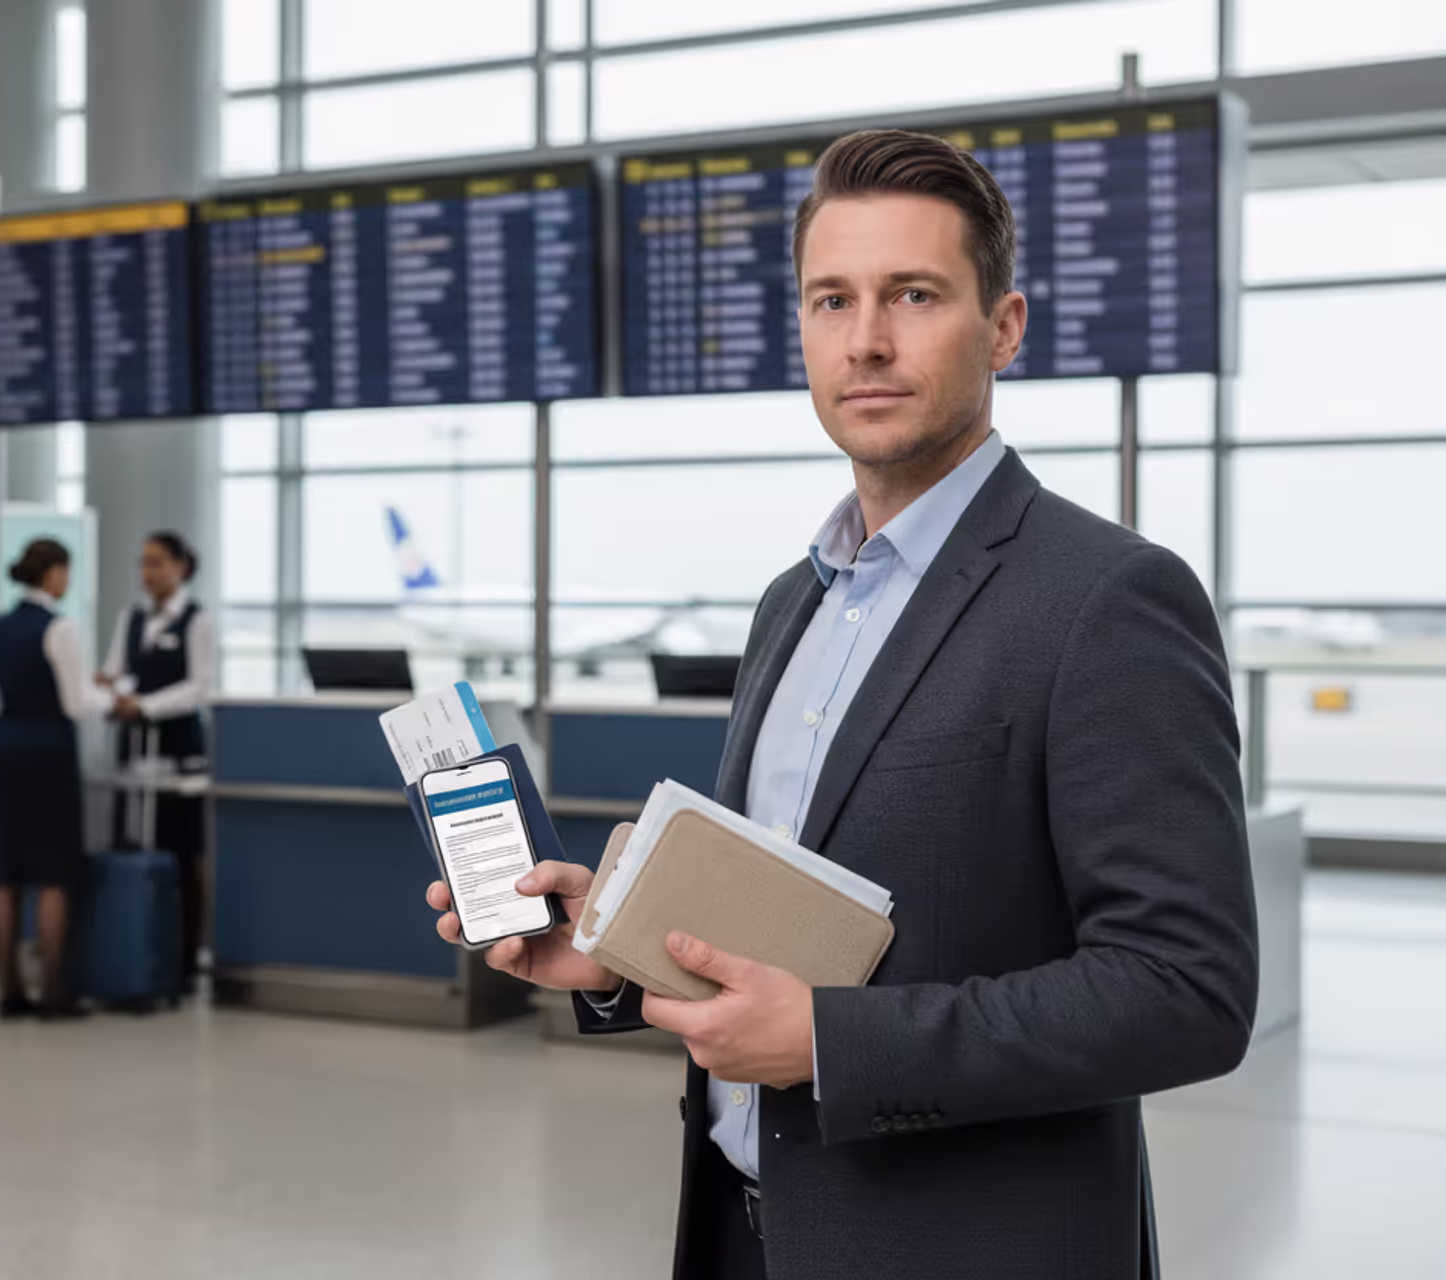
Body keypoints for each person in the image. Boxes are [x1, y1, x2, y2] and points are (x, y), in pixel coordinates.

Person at [426, 129, 1258, 1279]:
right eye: (832, 300)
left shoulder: (1107, 598)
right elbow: (785, 923)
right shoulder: (790, 605)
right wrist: (619, 950)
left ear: (1004, 325)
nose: (866, 340)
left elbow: (1187, 990)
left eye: (914, 294)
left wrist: (831, 1042)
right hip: (744, 1232)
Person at [0, 538, 109, 1021]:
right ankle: (54, 990)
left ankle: (9, 991)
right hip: (50, 755)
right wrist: (108, 698)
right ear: (53, 573)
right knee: (53, 875)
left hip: (6, 754)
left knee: (6, 874)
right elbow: (76, 703)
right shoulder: (61, 628)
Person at [99, 531, 215, 995]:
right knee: (131, 845)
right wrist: (112, 689)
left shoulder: (196, 620)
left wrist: (144, 705)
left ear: (181, 567)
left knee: (182, 855)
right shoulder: (131, 617)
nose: (148, 572)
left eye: (157, 563)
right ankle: (136, 954)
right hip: (135, 752)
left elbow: (200, 686)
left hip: (177, 752)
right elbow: (116, 669)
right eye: (143, 563)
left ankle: (183, 963)